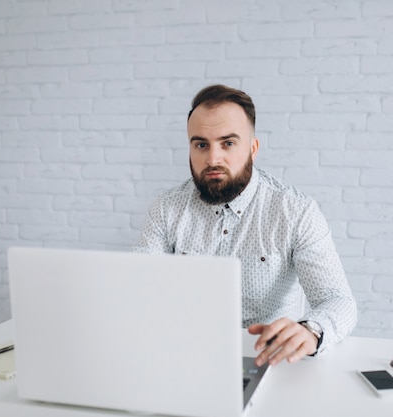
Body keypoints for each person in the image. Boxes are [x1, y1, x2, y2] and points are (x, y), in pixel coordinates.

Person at [135, 84, 357, 367]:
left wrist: (310, 330)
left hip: (269, 363)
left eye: (228, 143)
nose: (213, 158)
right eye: (201, 144)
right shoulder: (167, 209)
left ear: (253, 148)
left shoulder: (296, 211)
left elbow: (339, 300)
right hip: (186, 358)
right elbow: (139, 291)